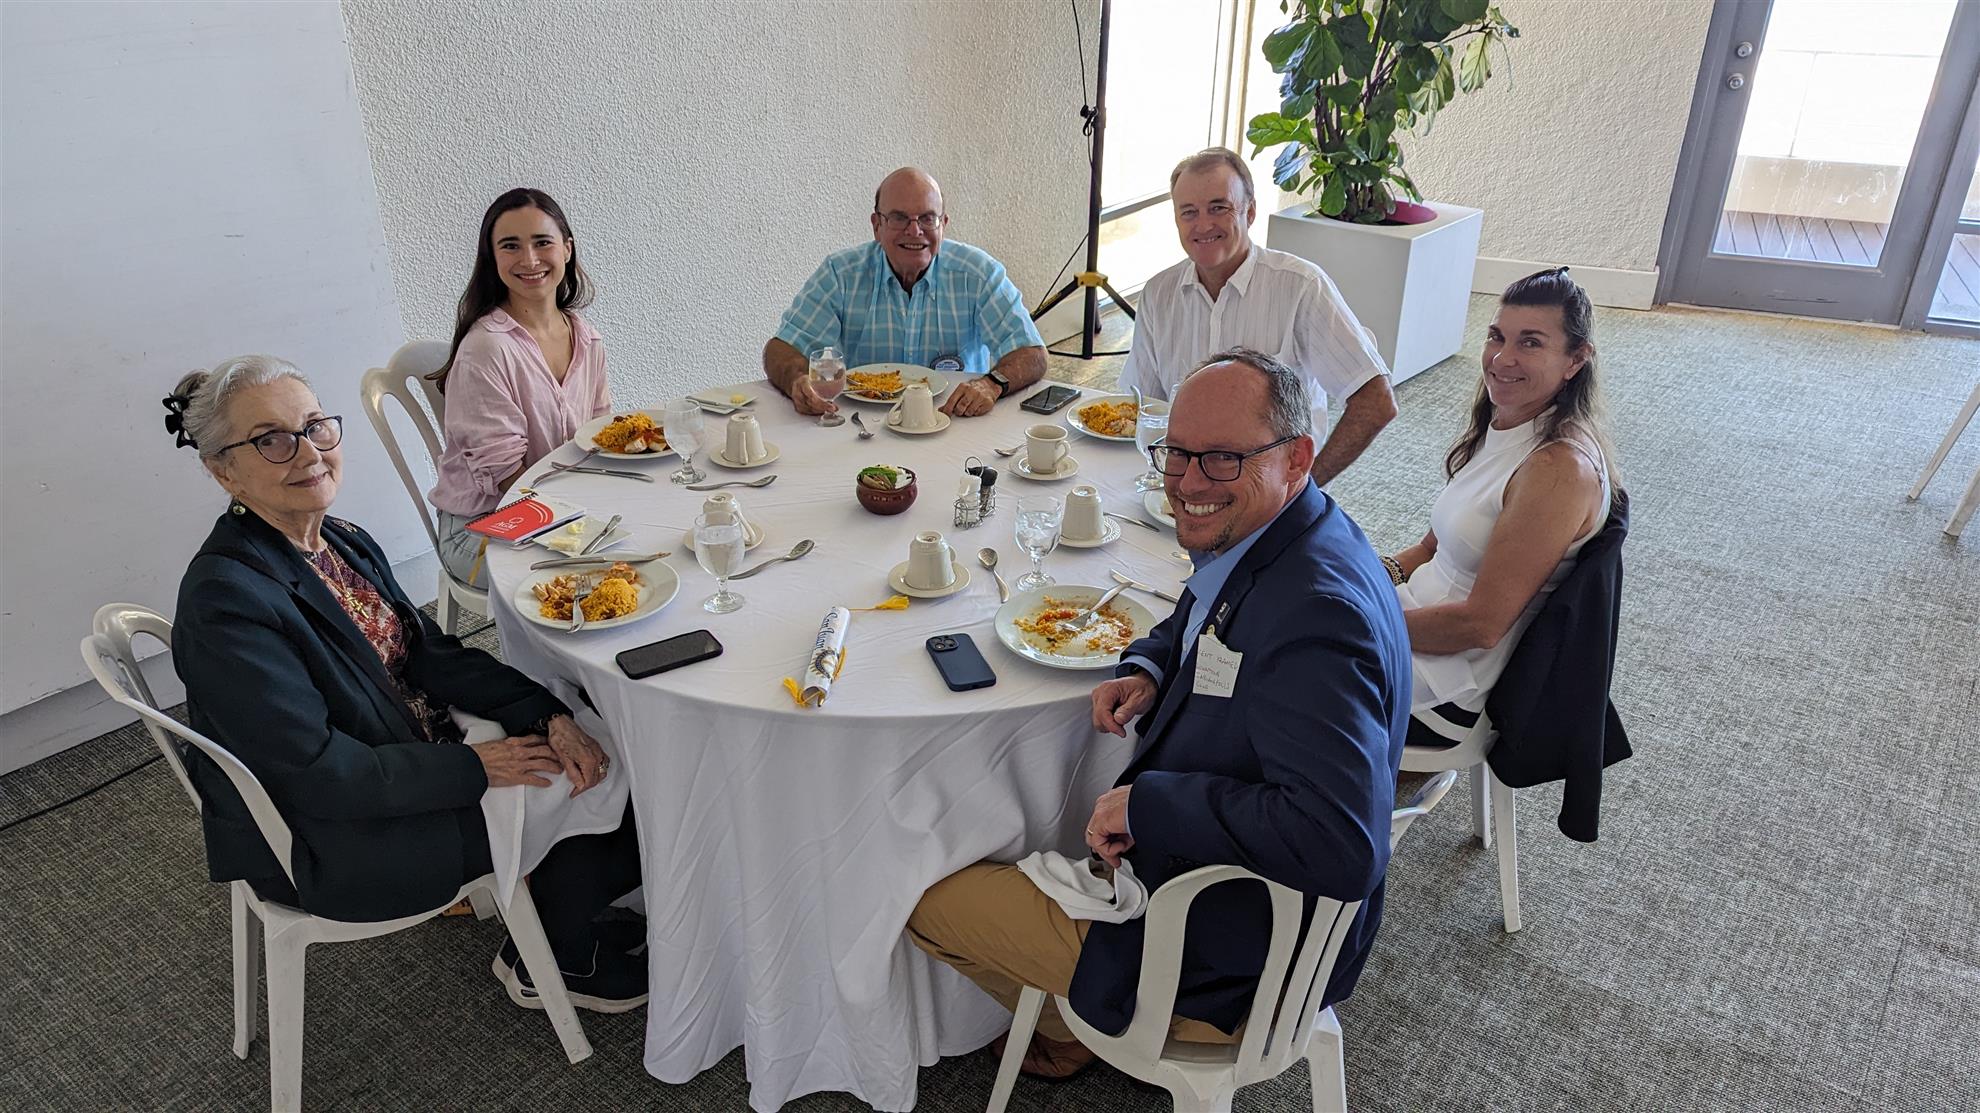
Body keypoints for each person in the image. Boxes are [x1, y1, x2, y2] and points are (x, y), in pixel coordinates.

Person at [906, 349, 1410, 1079]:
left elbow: (1342, 843)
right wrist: (1149, 663)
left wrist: (1150, 805)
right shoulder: (1292, 535)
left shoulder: (1315, 620)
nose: (1188, 483)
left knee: (920, 897)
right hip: (1231, 900)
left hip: (1233, 951)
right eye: (1176, 453)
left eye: (1223, 458)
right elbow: (1207, 607)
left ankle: (1078, 1030)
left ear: (1298, 457)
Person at [164, 355, 645, 1011]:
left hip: (402, 743)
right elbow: (320, 774)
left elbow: (429, 654)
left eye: (315, 427)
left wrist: (543, 715)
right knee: (631, 779)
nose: (308, 453)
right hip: (336, 832)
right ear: (224, 470)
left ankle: (556, 910)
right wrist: (477, 767)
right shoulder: (226, 604)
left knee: (596, 732)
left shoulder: (337, 540)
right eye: (271, 439)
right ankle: (558, 952)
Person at [1381, 267, 1618, 737]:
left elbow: (1480, 626)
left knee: (1261, 679)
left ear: (1576, 360)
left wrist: (1360, 621)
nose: (1502, 359)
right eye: (1497, 337)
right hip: (1413, 626)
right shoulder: (1507, 421)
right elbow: (1430, 549)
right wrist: (1369, 576)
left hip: (1447, 683)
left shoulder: (1556, 470)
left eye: (1530, 343)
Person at [1118, 147, 1396, 486]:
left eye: (1218, 208)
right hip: (1182, 484)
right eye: (1188, 212)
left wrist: (1304, 489)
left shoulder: (1301, 286)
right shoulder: (1159, 293)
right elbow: (1141, 406)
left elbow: (1376, 401)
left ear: (1249, 212)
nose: (1203, 224)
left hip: (1268, 488)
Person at [428, 188, 611, 589]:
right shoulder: (486, 348)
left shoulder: (586, 336)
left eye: (542, 242)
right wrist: (584, 525)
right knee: (601, 579)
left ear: (567, 249)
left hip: (560, 506)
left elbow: (598, 436)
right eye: (510, 246)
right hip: (484, 527)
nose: (529, 260)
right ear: (492, 259)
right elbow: (508, 478)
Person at [763, 167, 1047, 419]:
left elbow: (1033, 354)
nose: (914, 231)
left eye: (927, 218)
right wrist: (796, 380)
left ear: (943, 225)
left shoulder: (978, 273)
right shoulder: (841, 274)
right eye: (899, 218)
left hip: (954, 420)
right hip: (865, 425)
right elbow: (781, 349)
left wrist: (991, 384)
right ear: (877, 226)